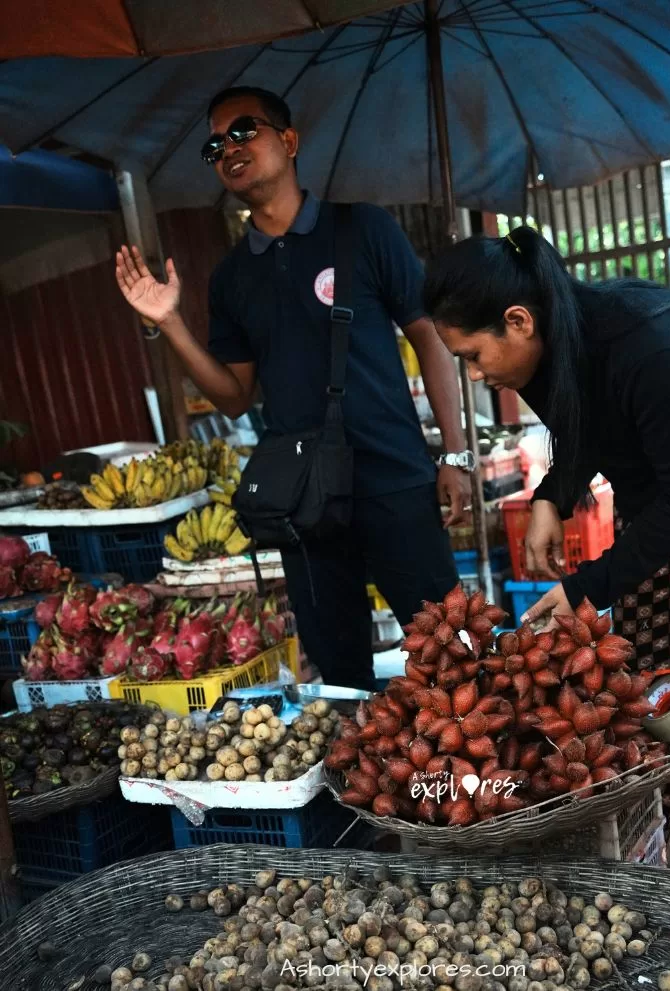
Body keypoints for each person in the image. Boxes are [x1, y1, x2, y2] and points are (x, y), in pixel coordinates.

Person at [423, 225, 670, 885]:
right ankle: (647, 827)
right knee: (638, 672)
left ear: (518, 321)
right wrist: (554, 493)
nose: (473, 373)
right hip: (662, 496)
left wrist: (589, 585)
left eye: (470, 354)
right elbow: (582, 425)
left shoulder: (648, 341)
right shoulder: (546, 350)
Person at [115, 86, 472, 692]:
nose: (228, 148)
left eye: (243, 131)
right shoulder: (232, 278)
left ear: (289, 140)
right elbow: (232, 397)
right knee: (341, 675)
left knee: (448, 653)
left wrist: (456, 454)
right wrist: (171, 323)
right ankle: (372, 782)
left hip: (395, 476)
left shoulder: (364, 230)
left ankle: (467, 783)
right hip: (303, 499)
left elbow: (430, 335)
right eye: (215, 145)